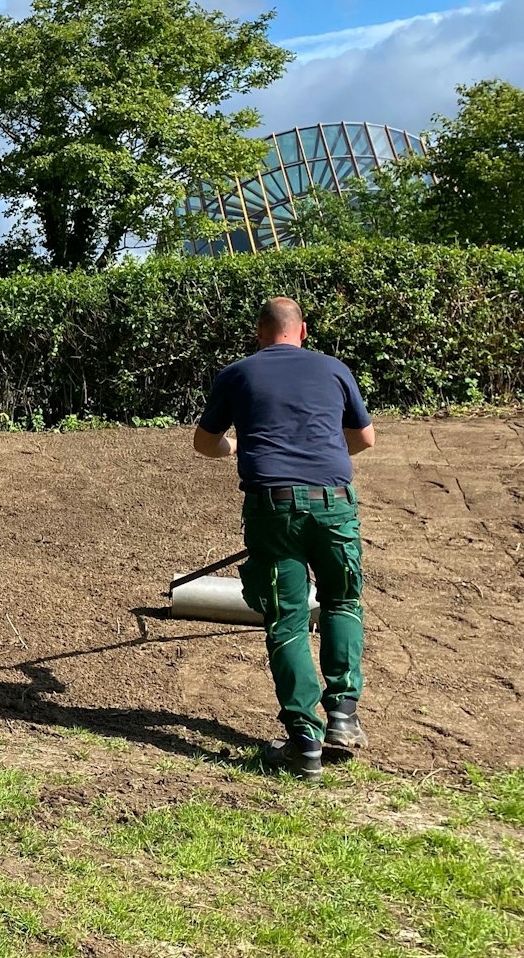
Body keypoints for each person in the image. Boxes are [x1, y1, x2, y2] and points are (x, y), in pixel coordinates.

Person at [192, 297, 375, 780]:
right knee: (342, 602)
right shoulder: (335, 369)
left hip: (273, 509)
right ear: (304, 331)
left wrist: (236, 444)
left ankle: (304, 742)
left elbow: (204, 442)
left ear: (259, 333)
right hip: (334, 503)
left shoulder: (238, 374)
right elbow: (364, 438)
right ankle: (343, 718)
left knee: (287, 621)